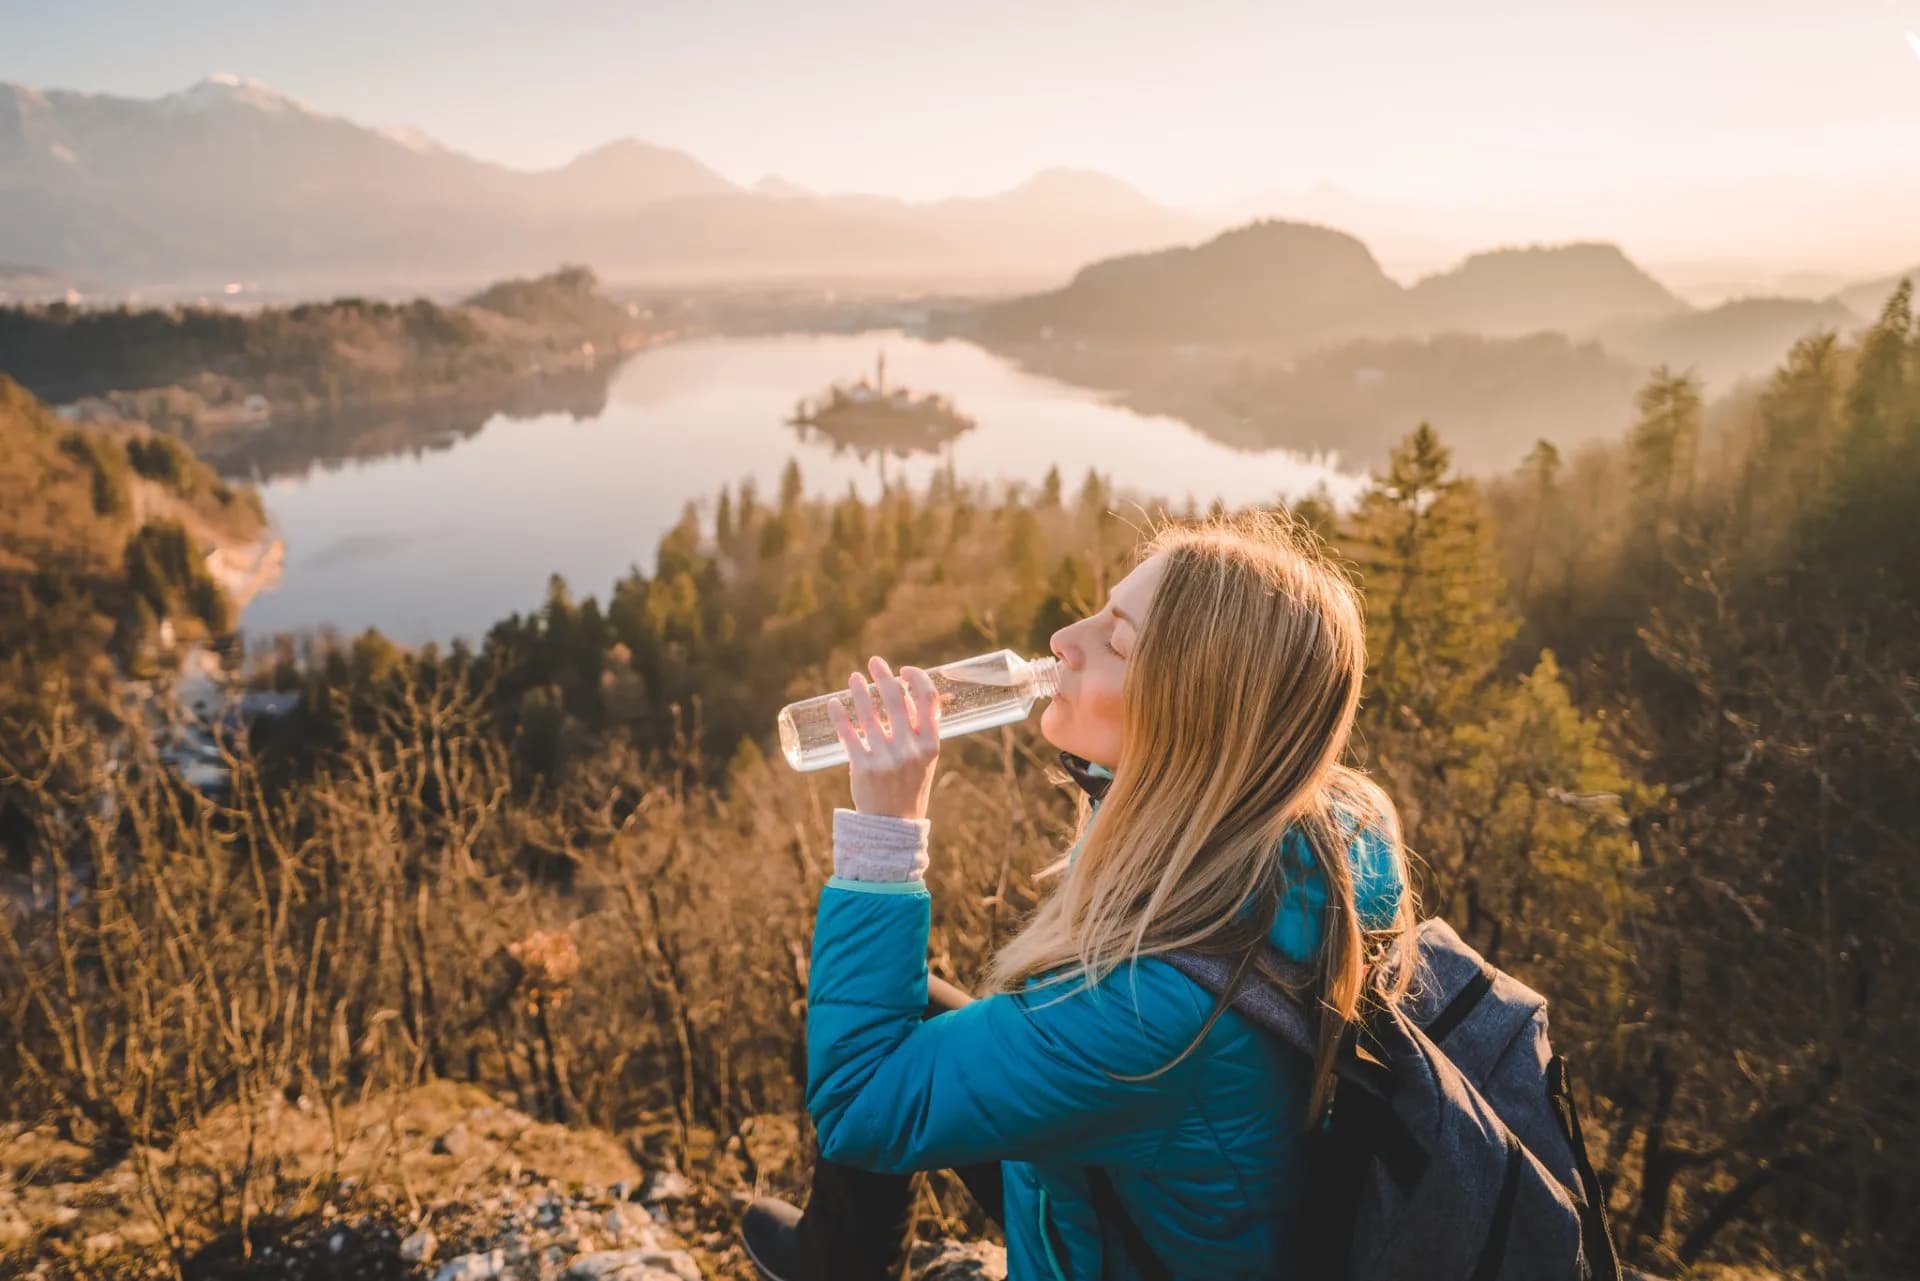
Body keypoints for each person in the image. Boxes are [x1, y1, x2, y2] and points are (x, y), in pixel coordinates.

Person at [740, 512, 1416, 1281]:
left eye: (1116, 642)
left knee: (879, 1046)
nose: (1065, 637)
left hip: (1134, 1212)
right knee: (913, 1003)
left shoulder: (1153, 1014)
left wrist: (885, 832)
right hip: (1158, 1183)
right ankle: (839, 1258)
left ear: (1187, 717)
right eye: (1100, 611)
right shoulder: (1300, 828)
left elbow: (859, 1102)